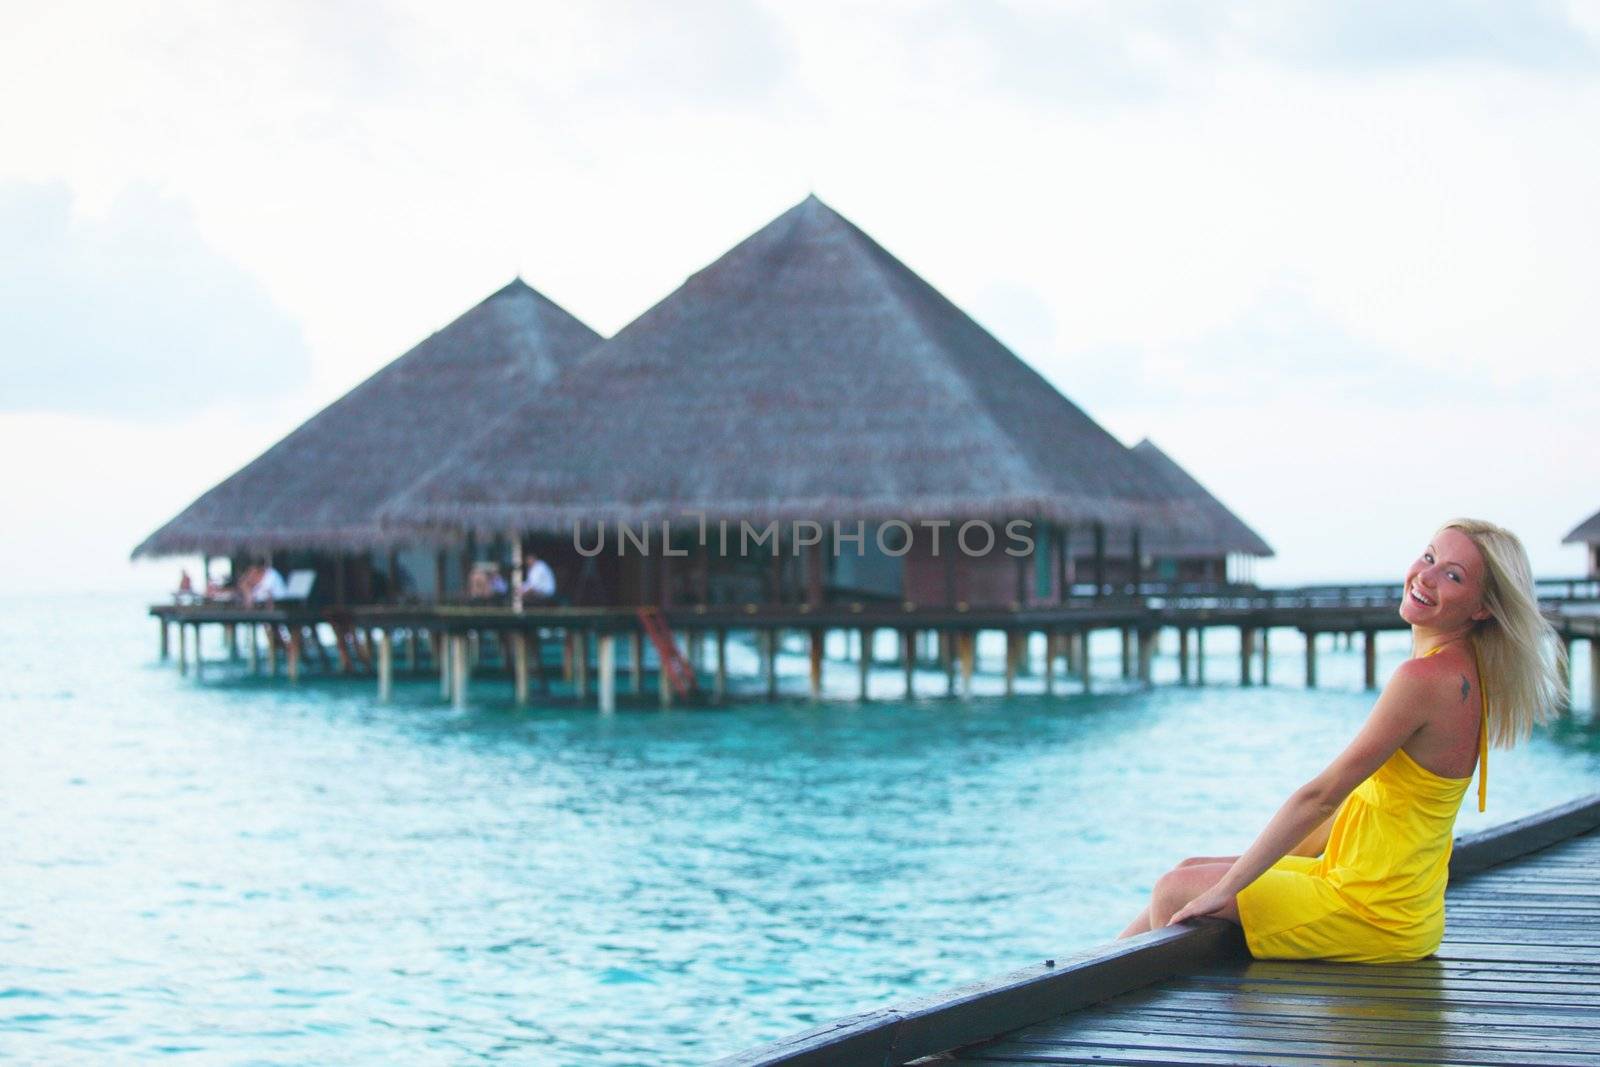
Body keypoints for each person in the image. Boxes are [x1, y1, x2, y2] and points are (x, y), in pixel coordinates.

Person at [1118, 519, 1565, 963]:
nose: (1426, 577)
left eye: (1453, 575)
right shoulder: (1465, 670)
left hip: (1371, 912)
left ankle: (1131, 1021)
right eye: (1429, 557)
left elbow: (1322, 796)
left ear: (1482, 607)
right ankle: (1082, 969)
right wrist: (1233, 877)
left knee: (1174, 891)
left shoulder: (1425, 678)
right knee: (1188, 871)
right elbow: (1361, 807)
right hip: (1394, 902)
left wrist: (1227, 889)